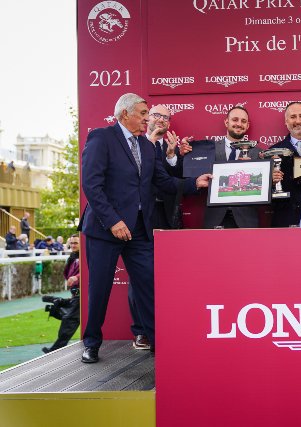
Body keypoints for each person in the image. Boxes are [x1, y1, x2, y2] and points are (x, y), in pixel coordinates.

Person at [80, 92, 211, 363]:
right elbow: (92, 185)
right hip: (105, 229)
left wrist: (194, 184)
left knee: (149, 285)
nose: (146, 118)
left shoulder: (148, 146)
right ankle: (91, 343)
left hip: (140, 229)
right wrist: (113, 221)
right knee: (99, 289)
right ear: (124, 114)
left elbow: (163, 182)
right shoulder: (101, 138)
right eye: (142, 113)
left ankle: (157, 341)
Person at [127, 104, 183, 351]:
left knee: (168, 277)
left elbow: (172, 180)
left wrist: (172, 155)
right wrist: (149, 143)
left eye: (166, 117)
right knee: (139, 275)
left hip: (166, 217)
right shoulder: (134, 144)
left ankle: (166, 327)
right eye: (157, 115)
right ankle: (141, 331)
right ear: (147, 118)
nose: (161, 120)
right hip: (141, 217)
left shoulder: (170, 146)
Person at [183, 106, 261, 228]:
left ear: (247, 125)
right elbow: (190, 176)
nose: (239, 124)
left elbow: (262, 188)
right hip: (214, 218)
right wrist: (181, 155)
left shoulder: (258, 153)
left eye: (243, 121)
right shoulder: (208, 149)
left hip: (246, 220)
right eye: (235, 119)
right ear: (226, 122)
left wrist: (251, 171)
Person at [42, 234, 81, 353]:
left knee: (69, 320)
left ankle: (55, 350)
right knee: (68, 317)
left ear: (82, 243)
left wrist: (76, 277)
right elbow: (68, 274)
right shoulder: (72, 257)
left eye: (76, 243)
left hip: (83, 295)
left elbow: (89, 270)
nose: (73, 245)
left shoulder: (87, 256)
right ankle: (58, 303)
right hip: (75, 294)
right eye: (71, 243)